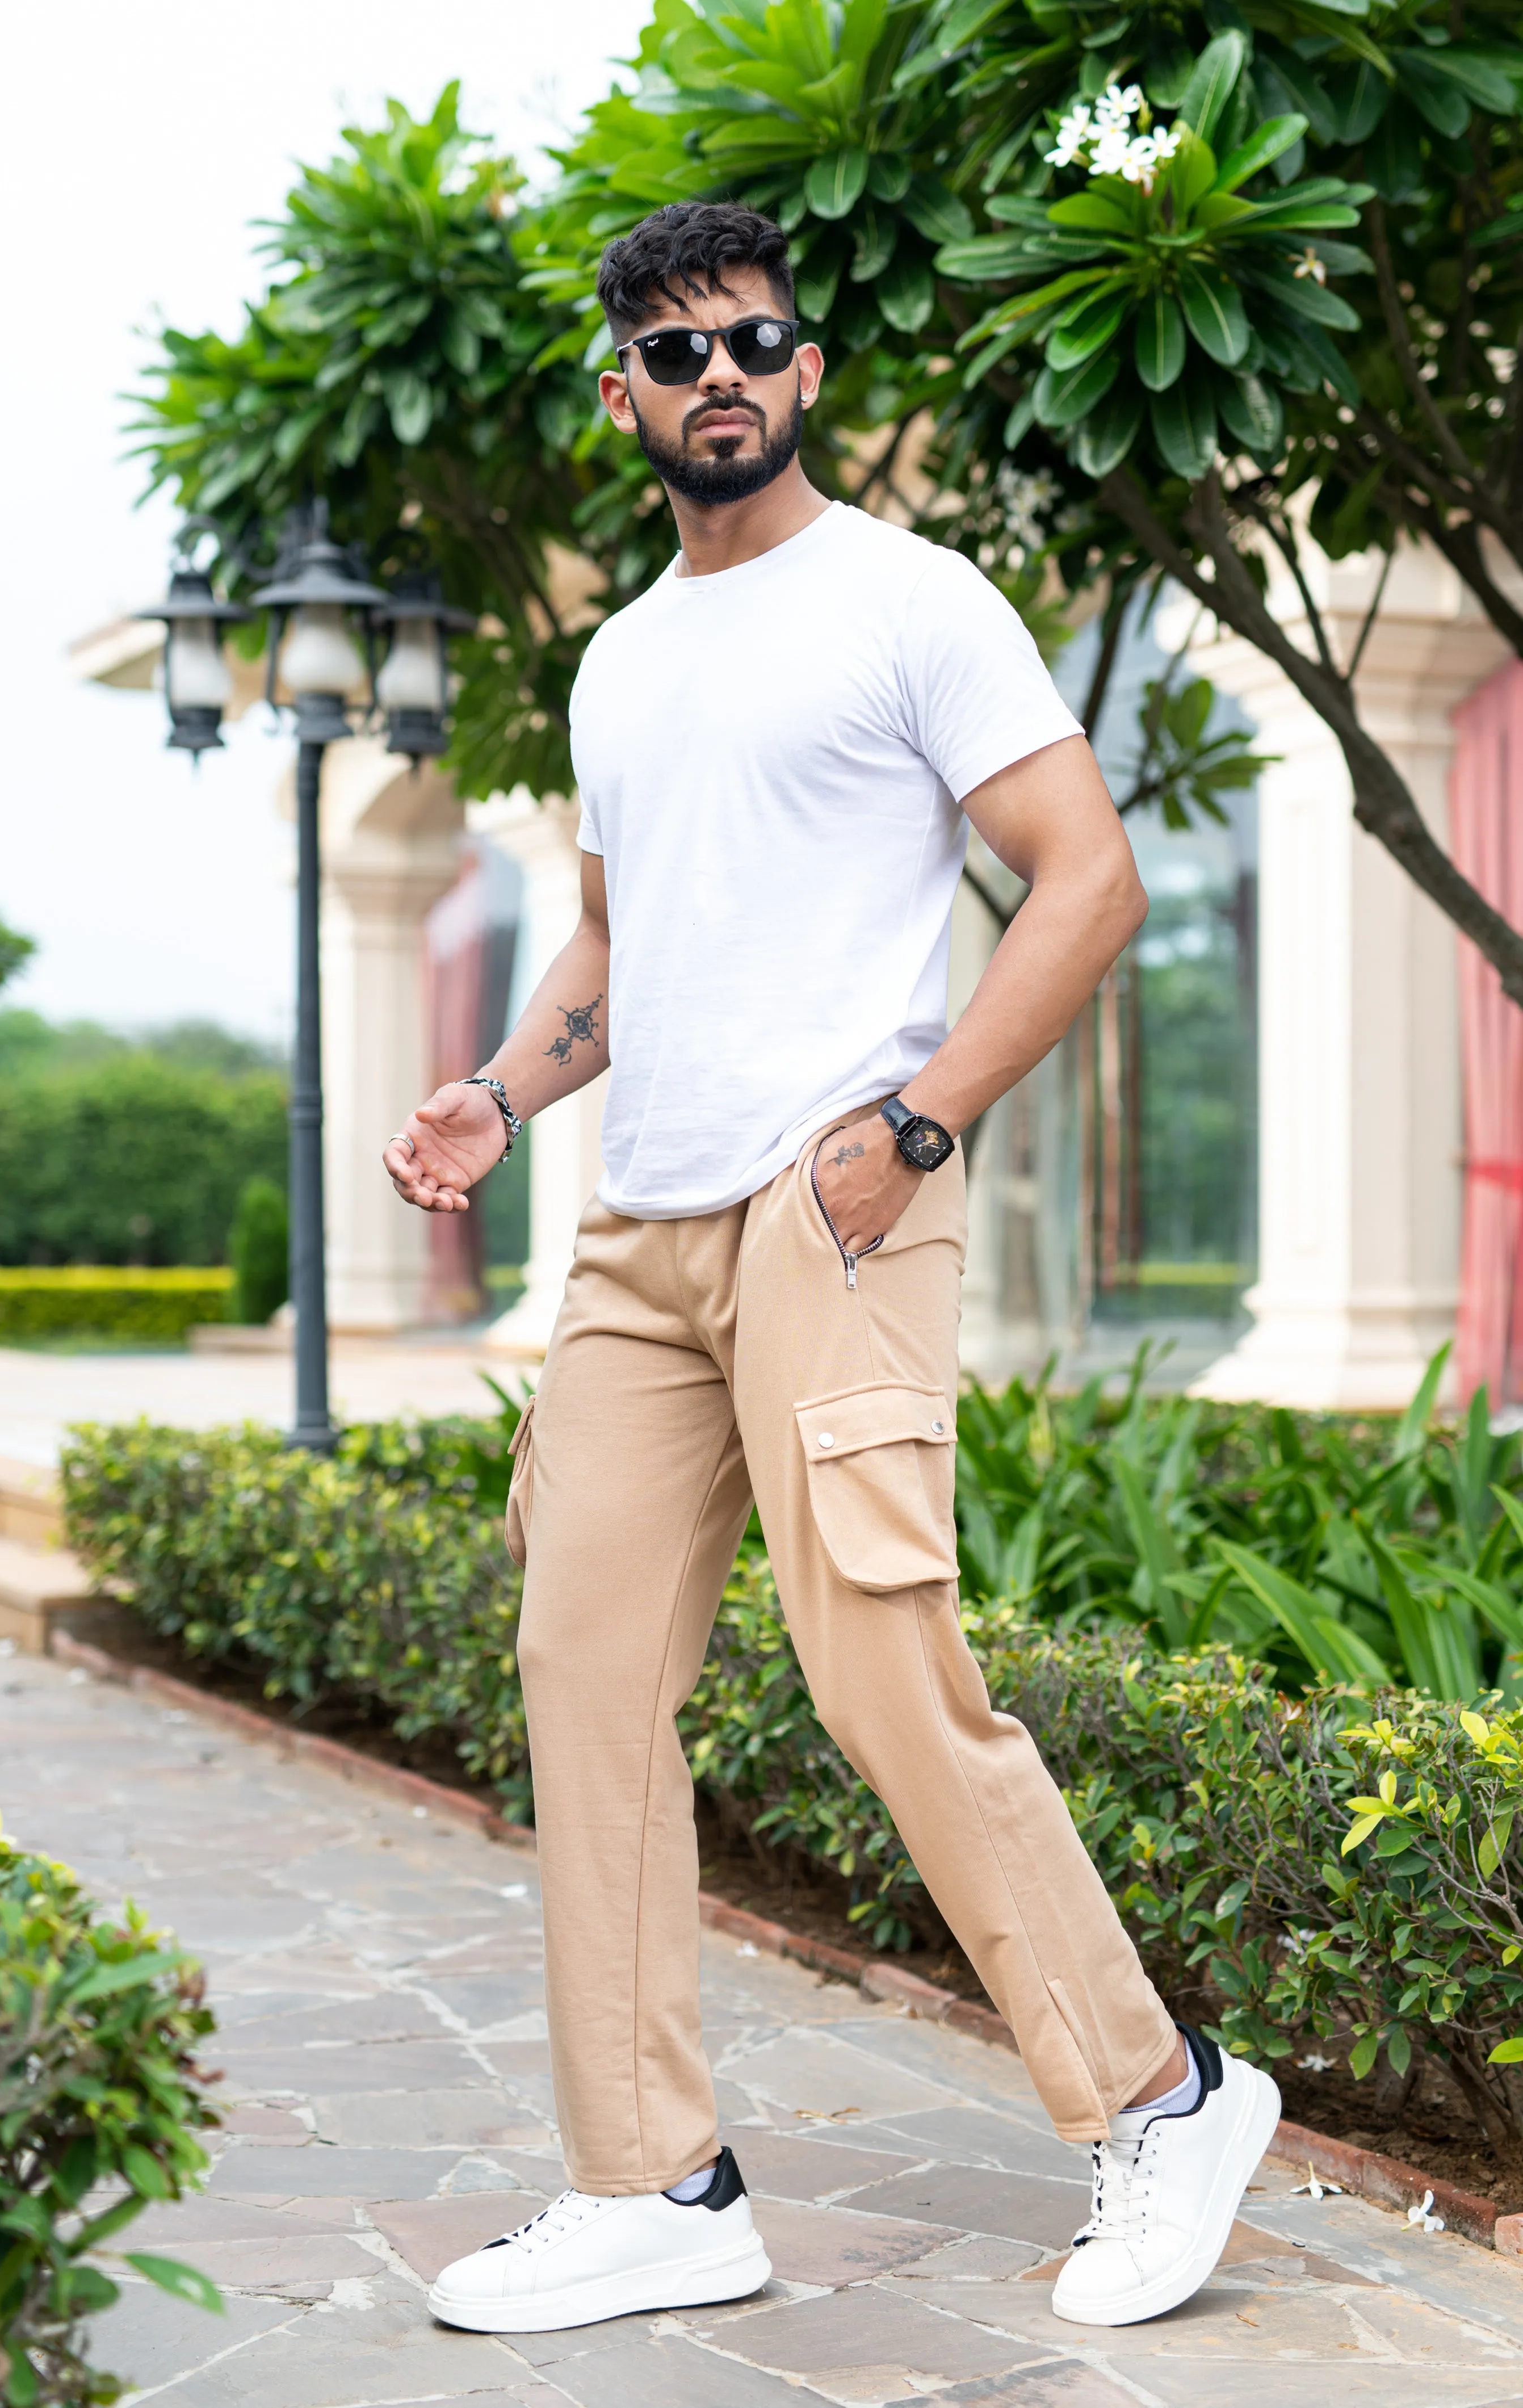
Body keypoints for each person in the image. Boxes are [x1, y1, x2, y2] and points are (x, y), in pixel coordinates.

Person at [384, 200, 1278, 2339]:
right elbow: (608, 950)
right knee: (582, 1678)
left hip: (835, 1206)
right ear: (622, 397)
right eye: (673, 353)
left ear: (807, 375)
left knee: (884, 1673)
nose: (718, 380)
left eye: (753, 344)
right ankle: (656, 2182)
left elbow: (1086, 879)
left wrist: (912, 1125)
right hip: (636, 1232)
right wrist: (499, 1096)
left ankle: (1160, 2096)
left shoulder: (910, 601)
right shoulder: (618, 660)